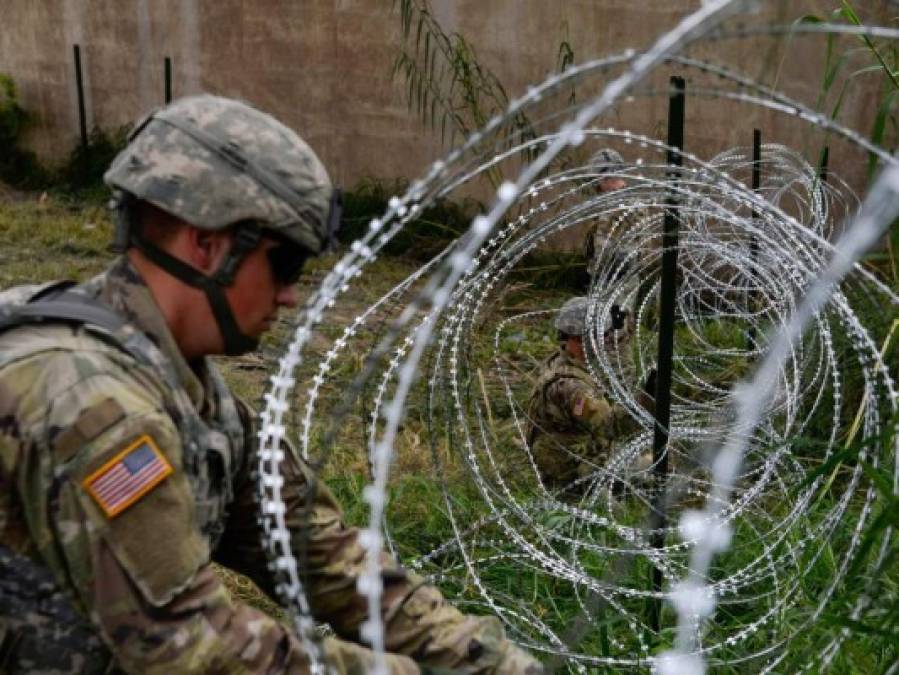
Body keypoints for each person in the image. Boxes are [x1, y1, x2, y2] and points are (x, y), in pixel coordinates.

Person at [0, 95, 541, 674]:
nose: (290, 295)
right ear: (204, 243)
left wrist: (488, 661)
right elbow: (193, 651)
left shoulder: (189, 393)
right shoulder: (96, 408)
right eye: (283, 266)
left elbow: (319, 552)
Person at [525, 297, 651, 490]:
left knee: (653, 464)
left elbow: (619, 372)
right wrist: (646, 400)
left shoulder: (561, 361)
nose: (605, 341)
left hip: (577, 458)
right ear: (584, 339)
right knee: (656, 468)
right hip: (575, 474)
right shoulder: (573, 388)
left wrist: (622, 338)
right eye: (601, 335)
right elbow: (611, 425)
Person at [582, 148, 652, 324]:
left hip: (616, 282)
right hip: (611, 279)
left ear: (604, 178)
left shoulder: (622, 203)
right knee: (605, 331)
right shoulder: (619, 200)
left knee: (614, 332)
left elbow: (610, 250)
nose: (595, 187)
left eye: (596, 182)